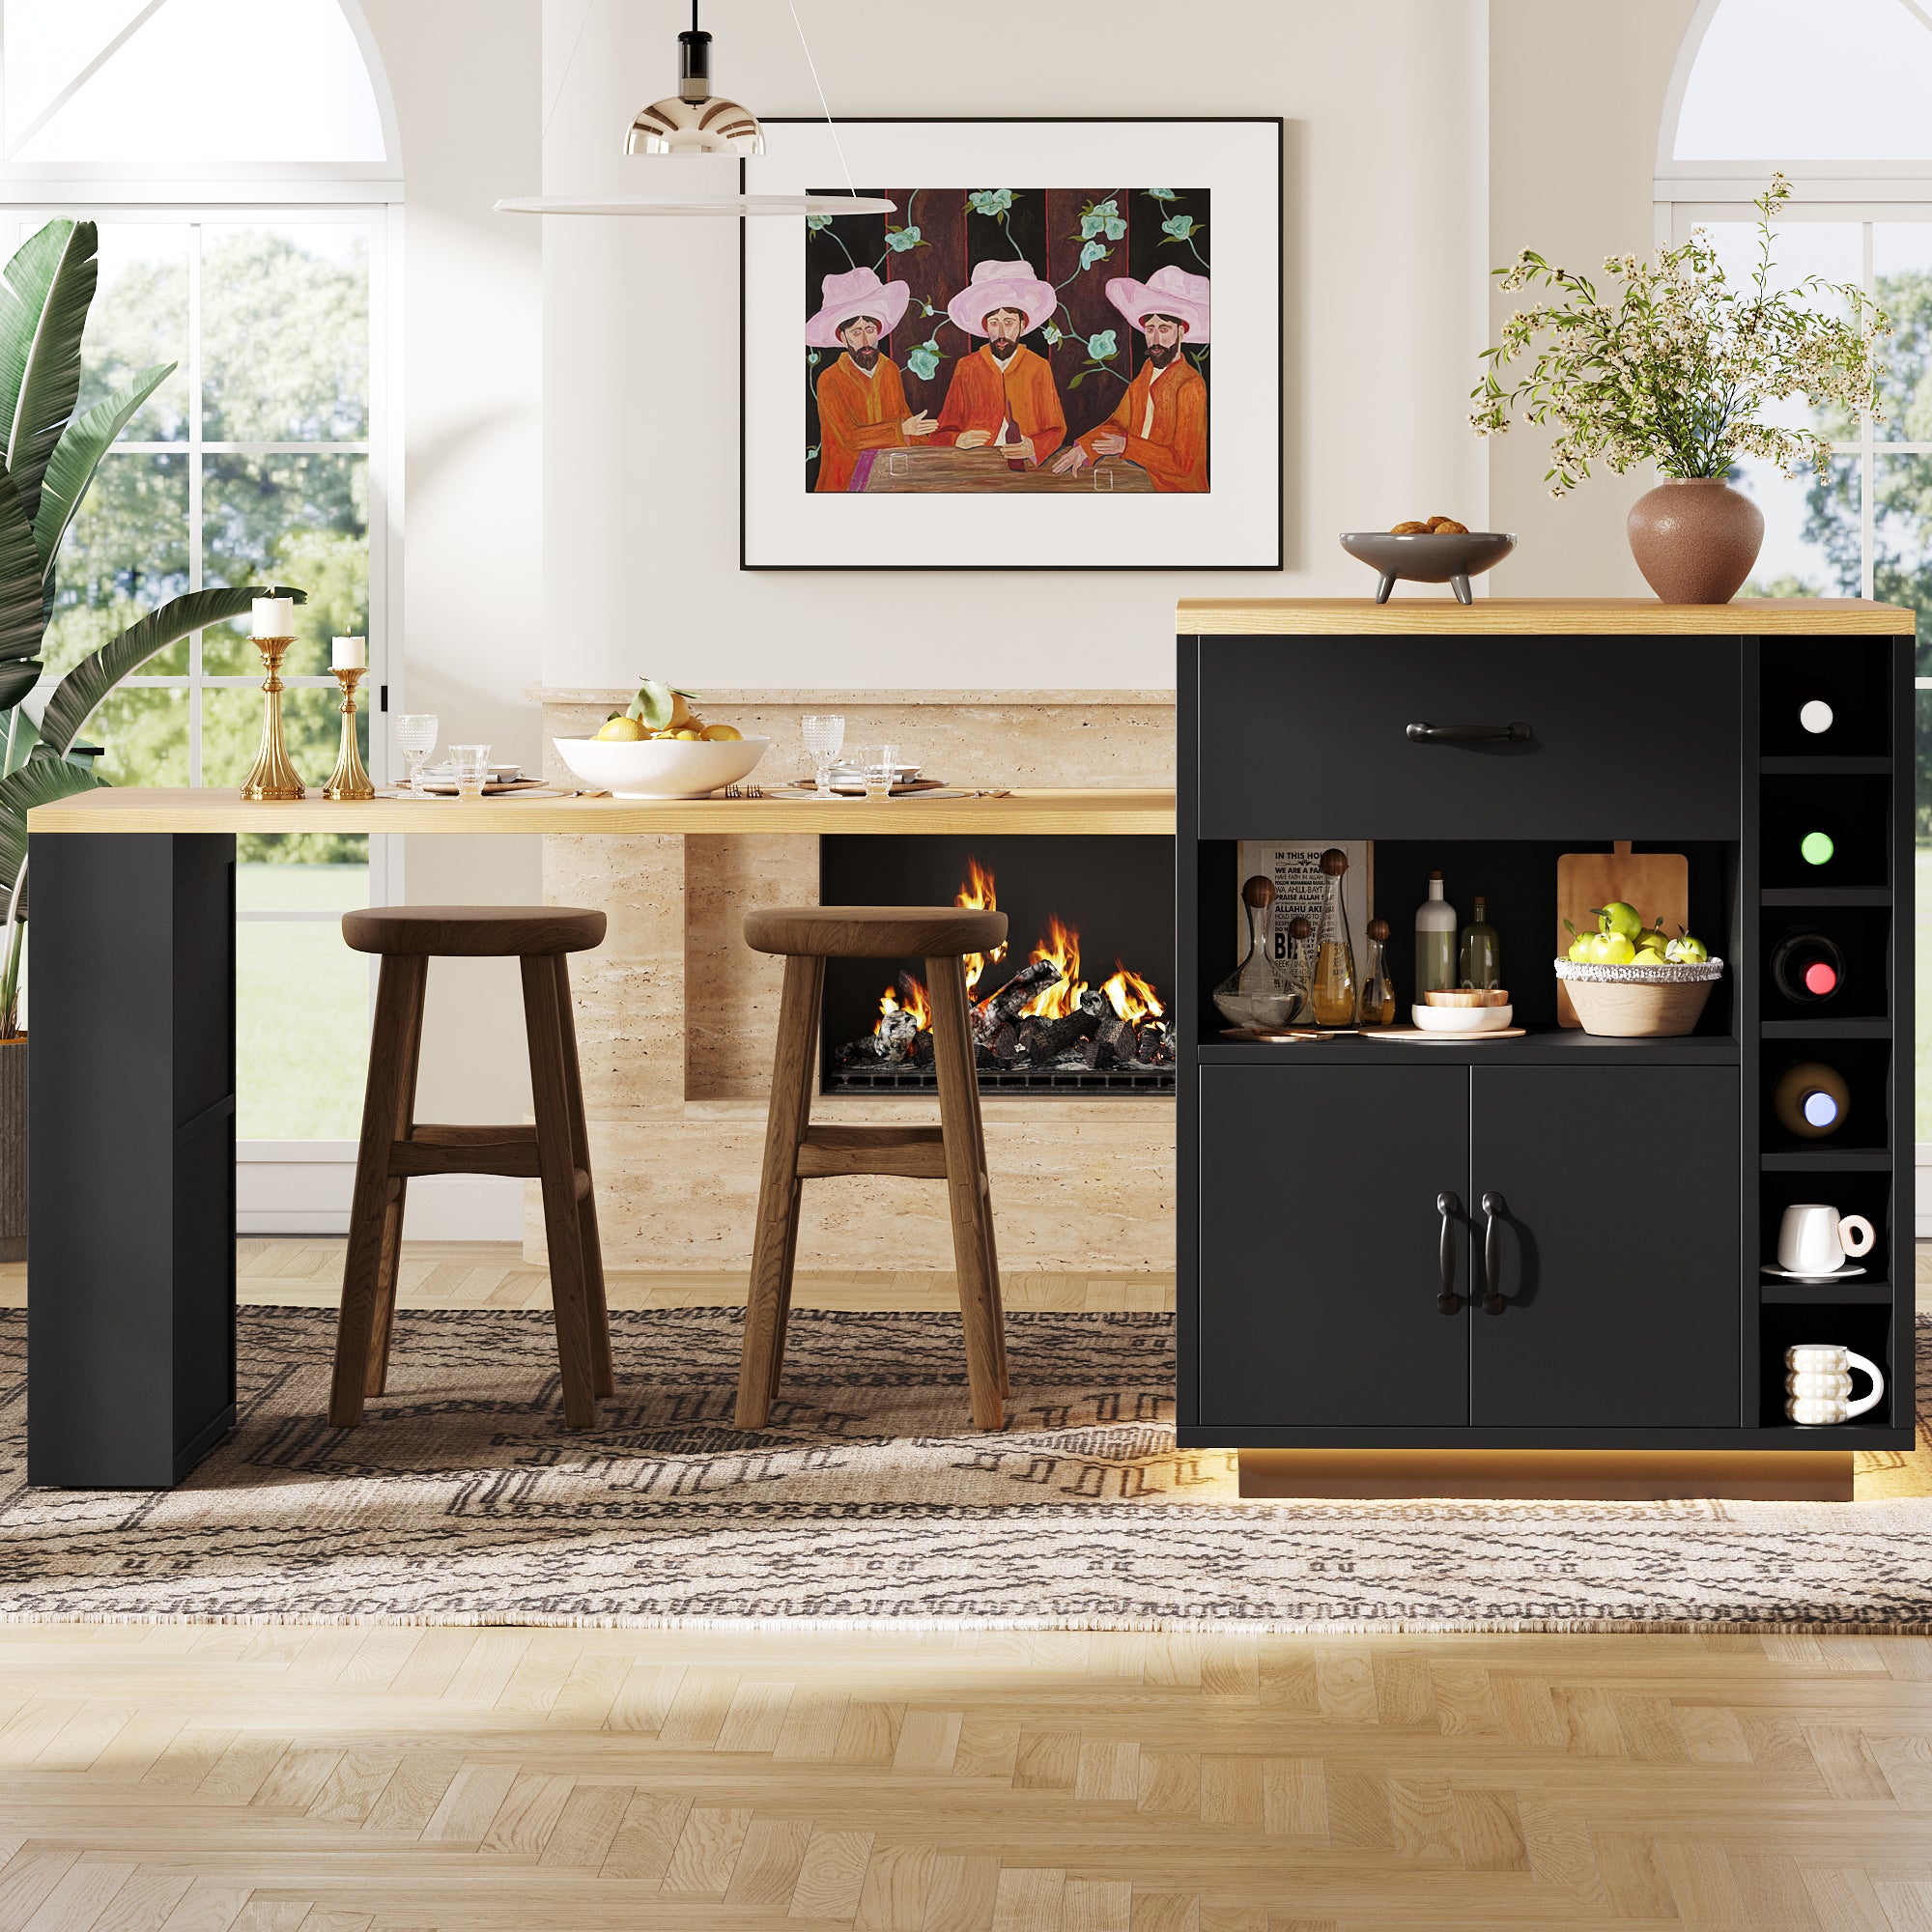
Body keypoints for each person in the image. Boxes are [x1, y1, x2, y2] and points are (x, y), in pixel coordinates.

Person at [1051, 265, 1208, 492]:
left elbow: (1182, 463)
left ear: (1181, 333)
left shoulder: (1191, 385)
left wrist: (1127, 445)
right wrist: (1086, 447)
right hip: (1138, 477)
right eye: (1150, 329)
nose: (1154, 338)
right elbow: (1118, 424)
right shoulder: (1145, 376)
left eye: (1164, 329)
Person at [805, 267, 934, 493]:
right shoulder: (829, 380)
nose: (865, 339)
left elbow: (905, 420)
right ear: (842, 337)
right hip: (845, 483)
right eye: (856, 332)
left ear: (879, 330)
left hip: (889, 476)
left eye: (870, 329)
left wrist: (940, 440)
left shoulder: (890, 370)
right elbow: (850, 438)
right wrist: (901, 429)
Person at [929, 259, 1065, 468]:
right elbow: (942, 432)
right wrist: (958, 440)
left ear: (1022, 325)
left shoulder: (1038, 367)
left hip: (1027, 468)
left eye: (1008, 322)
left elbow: (1056, 430)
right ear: (986, 327)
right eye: (994, 323)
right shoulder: (967, 367)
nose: (1001, 333)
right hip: (974, 465)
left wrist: (1033, 446)